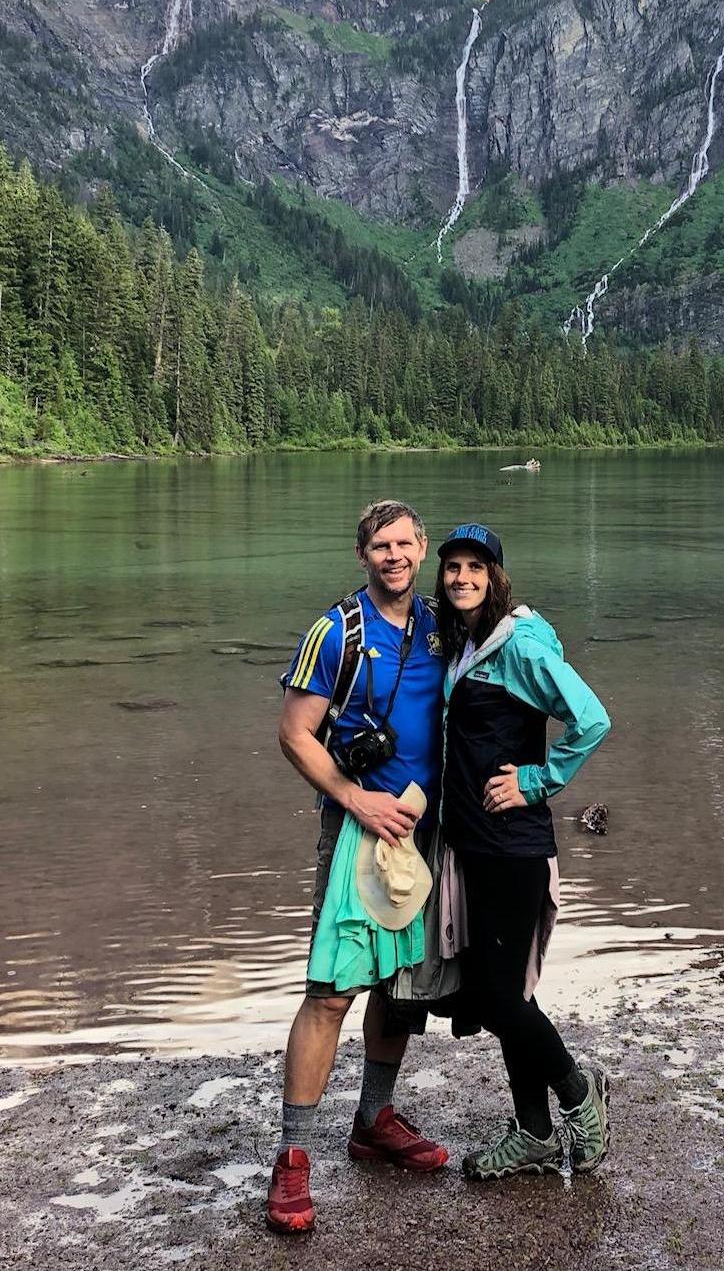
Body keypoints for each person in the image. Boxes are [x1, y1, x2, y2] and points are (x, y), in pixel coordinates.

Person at [265, 499, 450, 1234]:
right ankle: (292, 1158)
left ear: (423, 548)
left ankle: (373, 1119)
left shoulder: (440, 623)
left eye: (404, 543)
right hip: (355, 829)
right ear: (362, 554)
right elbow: (294, 734)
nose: (394, 556)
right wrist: (353, 797)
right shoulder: (336, 630)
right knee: (332, 991)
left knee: (400, 987)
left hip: (425, 833)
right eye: (380, 546)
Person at [433, 522, 613, 1181]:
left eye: (475, 567)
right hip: (473, 847)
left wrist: (536, 781)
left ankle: (579, 1097)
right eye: (452, 566)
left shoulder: (519, 646)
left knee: (504, 1000)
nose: (462, 577)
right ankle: (533, 1132)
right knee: (497, 993)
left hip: (513, 849)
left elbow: (591, 718)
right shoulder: (464, 643)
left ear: (495, 577)